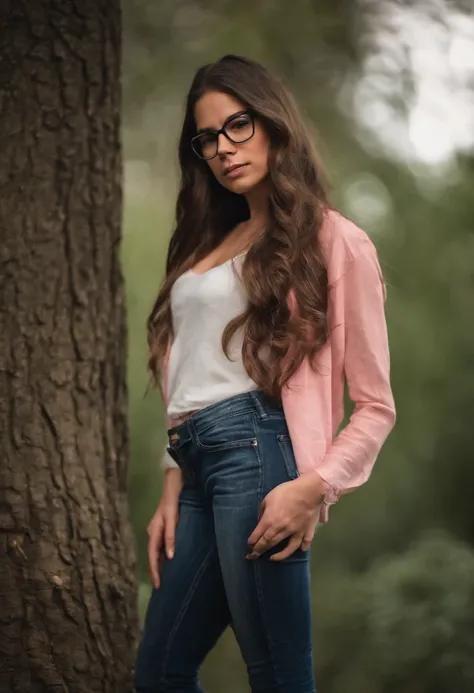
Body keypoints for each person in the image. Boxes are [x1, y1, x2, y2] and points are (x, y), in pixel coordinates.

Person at [134, 54, 396, 693]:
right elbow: (192, 373)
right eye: (208, 138)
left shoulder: (333, 240)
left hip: (258, 459)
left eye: (238, 125)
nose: (223, 148)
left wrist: (317, 486)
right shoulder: (207, 243)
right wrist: (173, 481)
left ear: (274, 124)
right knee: (159, 674)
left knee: (277, 679)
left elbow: (375, 404)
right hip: (195, 467)